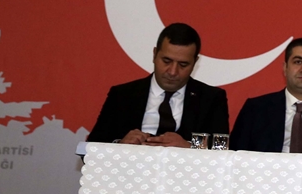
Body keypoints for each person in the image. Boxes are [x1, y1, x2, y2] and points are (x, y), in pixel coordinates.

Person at [88, 23, 229, 146]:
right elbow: (90, 149)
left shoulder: (211, 99)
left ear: (195, 62)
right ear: (155, 54)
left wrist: (189, 147)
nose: (173, 72)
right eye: (166, 61)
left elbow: (221, 149)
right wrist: (120, 145)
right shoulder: (122, 95)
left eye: (183, 64)